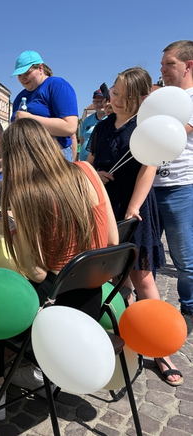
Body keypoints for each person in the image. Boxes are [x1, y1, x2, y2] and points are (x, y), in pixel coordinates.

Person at [0, 117, 118, 421]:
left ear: (14, 156)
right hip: (90, 303)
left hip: (56, 315)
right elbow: (112, 239)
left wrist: (10, 232)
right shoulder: (87, 171)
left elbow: (38, 273)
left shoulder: (25, 194)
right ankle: (35, 372)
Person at [88, 67, 182, 386]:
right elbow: (88, 161)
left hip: (134, 210)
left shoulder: (144, 126)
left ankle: (160, 349)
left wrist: (133, 208)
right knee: (115, 277)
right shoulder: (101, 129)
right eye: (113, 92)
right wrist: (93, 174)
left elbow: (149, 167)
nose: (113, 98)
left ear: (140, 99)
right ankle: (127, 336)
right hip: (105, 208)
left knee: (143, 279)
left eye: (121, 95)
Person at [157, 40, 193, 335]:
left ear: (188, 66)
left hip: (180, 187)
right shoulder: (163, 100)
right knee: (146, 254)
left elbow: (174, 136)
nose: (163, 69)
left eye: (169, 63)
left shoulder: (190, 100)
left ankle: (189, 310)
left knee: (184, 259)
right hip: (151, 186)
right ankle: (147, 311)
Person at [11, 51, 78, 161]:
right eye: (19, 75)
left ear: (40, 69)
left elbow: (70, 126)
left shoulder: (57, 85)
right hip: (26, 158)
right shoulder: (19, 97)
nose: (23, 78)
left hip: (54, 156)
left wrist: (30, 119)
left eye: (27, 73)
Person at [79, 89, 106, 161]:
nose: (99, 104)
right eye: (97, 101)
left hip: (101, 163)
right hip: (84, 162)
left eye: (102, 101)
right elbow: (82, 140)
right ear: (93, 103)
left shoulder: (112, 119)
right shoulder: (87, 120)